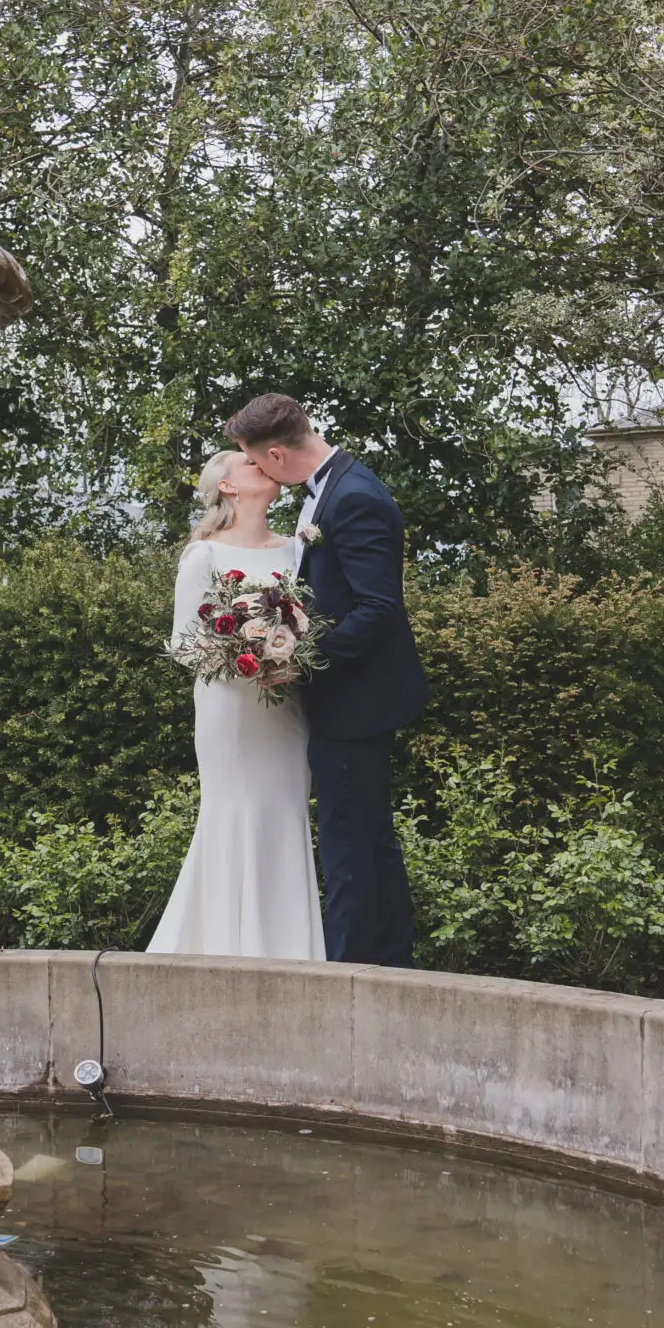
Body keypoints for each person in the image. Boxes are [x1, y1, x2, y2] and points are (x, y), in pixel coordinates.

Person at [229, 394, 427, 965]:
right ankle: (390, 963)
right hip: (350, 697)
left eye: (255, 462)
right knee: (370, 840)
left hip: (356, 701)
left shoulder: (354, 496)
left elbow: (377, 607)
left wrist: (299, 656)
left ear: (273, 453)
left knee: (346, 846)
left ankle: (343, 975)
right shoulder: (335, 485)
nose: (258, 473)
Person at [146, 449, 327, 959]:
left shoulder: (296, 551)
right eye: (249, 464)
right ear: (227, 487)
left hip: (285, 707)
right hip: (229, 710)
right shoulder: (204, 555)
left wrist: (286, 655)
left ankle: (290, 952)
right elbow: (182, 642)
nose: (263, 465)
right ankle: (222, 950)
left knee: (285, 813)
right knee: (231, 814)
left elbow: (313, 624)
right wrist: (240, 653)